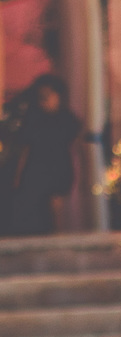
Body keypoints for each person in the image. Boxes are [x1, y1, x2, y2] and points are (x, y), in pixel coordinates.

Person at [10, 74, 81, 236]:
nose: (43, 101)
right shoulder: (35, 119)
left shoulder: (67, 120)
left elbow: (76, 145)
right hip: (36, 172)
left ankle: (57, 239)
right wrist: (19, 176)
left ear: (58, 96)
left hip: (58, 169)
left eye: (47, 96)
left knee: (56, 210)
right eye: (41, 97)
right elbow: (26, 148)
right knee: (37, 213)